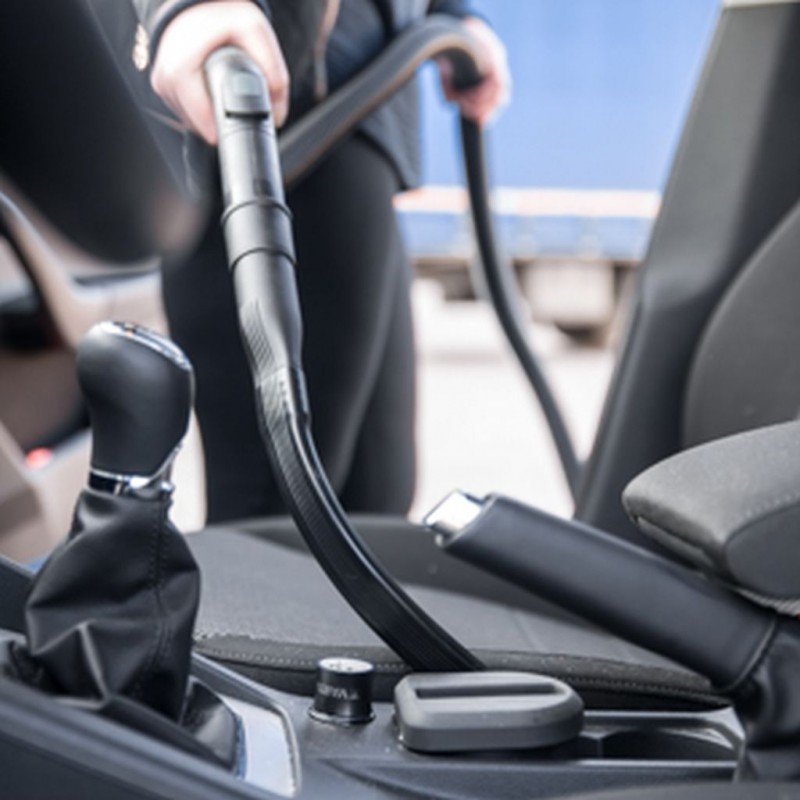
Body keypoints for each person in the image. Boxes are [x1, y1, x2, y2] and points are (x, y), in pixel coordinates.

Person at [134, 0, 510, 522]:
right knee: (276, 509)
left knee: (376, 493)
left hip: (364, 114)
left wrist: (453, 13)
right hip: (281, 128)